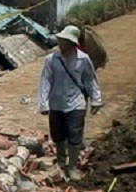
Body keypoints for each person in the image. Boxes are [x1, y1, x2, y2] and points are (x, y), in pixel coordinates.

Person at [37, 25, 104, 181]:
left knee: (74, 134)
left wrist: (96, 100)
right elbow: (45, 81)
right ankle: (61, 163)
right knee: (58, 134)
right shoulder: (52, 59)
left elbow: (90, 80)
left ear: (72, 43)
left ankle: (72, 166)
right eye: (60, 40)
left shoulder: (83, 59)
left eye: (64, 41)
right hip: (56, 103)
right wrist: (43, 103)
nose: (60, 43)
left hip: (77, 103)